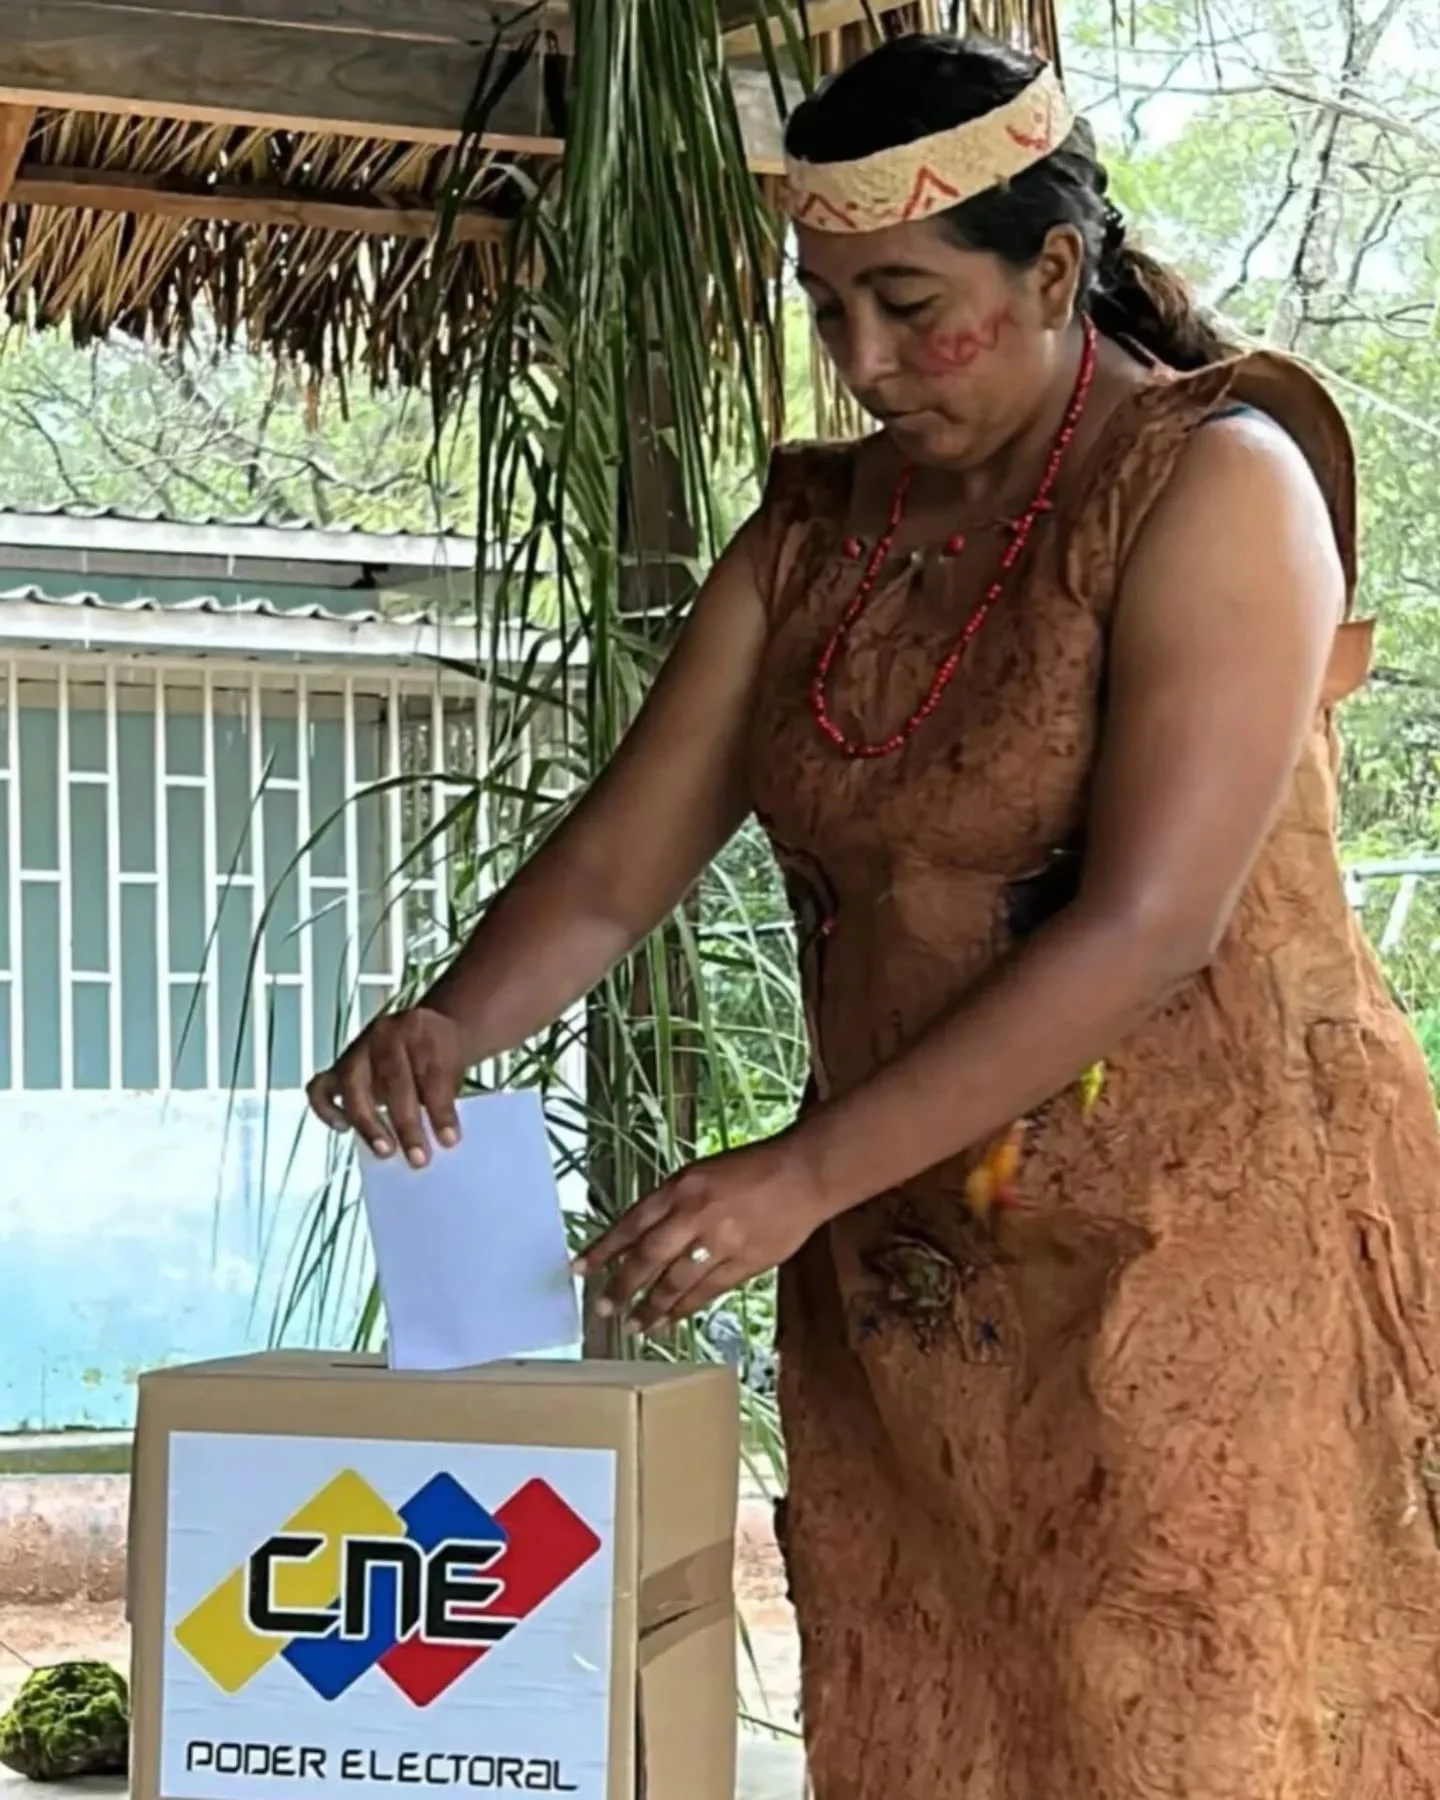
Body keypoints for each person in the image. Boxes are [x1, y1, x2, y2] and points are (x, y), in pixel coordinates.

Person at [308, 32, 1440, 1800]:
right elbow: (616, 866)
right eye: (829, 309)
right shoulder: (818, 533)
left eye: (912, 306)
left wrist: (797, 1175)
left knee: (1193, 1719)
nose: (864, 360)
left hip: (1199, 1267)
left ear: (1051, 271)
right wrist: (458, 1020)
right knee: (941, 1721)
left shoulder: (1215, 482)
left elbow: (1152, 925)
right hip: (916, 1272)